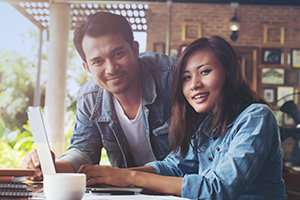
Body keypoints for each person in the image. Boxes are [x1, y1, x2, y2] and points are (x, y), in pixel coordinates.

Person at [78, 36, 287, 199]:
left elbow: (218, 189)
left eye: (204, 71)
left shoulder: (257, 117)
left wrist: (130, 176)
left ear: (229, 73)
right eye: (186, 77)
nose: (194, 84)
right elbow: (172, 166)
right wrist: (111, 177)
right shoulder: (206, 126)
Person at [21, 12, 177, 180]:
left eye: (118, 54)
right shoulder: (90, 98)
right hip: (133, 192)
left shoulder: (172, 78)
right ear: (87, 67)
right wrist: (49, 167)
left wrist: (127, 176)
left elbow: (193, 157)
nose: (111, 68)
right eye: (97, 62)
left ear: (135, 49)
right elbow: (84, 151)